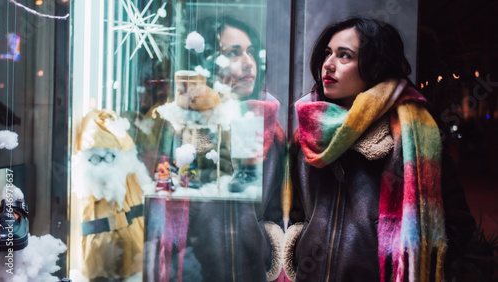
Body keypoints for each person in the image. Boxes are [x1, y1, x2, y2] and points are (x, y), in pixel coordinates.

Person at [284, 17, 475, 282]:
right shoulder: (308, 132)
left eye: (344, 56)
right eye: (328, 53)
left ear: (374, 67)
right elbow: (295, 213)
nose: (328, 64)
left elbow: (458, 223)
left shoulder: (415, 137)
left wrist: (415, 265)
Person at [145, 15, 286, 282]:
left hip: (252, 272)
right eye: (234, 53)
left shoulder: (268, 127)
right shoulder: (184, 122)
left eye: (251, 52)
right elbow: (168, 204)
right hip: (193, 269)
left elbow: (275, 213)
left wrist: (267, 254)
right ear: (208, 61)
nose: (248, 63)